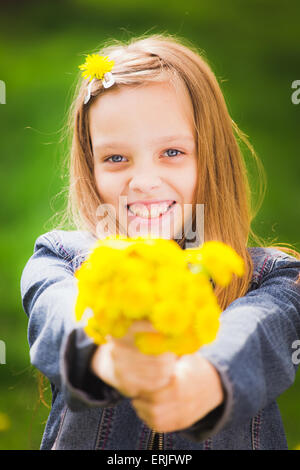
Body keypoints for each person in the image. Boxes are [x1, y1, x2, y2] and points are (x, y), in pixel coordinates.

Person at [20, 33, 300, 450]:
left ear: (212, 157)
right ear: (90, 167)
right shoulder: (61, 259)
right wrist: (109, 359)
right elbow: (59, 317)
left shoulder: (273, 280)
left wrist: (200, 382)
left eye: (172, 152)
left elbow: (257, 338)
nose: (145, 181)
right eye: (116, 158)